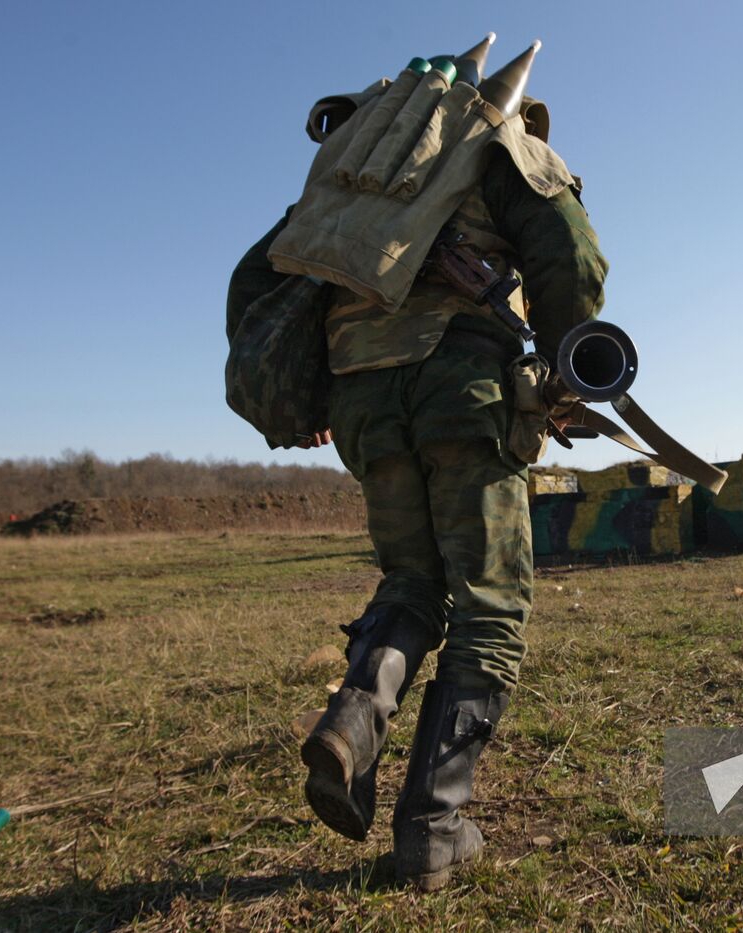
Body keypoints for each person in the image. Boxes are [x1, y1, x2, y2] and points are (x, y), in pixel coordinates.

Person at [295, 40, 608, 892]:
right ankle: (433, 827)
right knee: (492, 608)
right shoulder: (501, 141)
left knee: (412, 583)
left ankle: (354, 722)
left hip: (362, 397)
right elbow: (569, 257)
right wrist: (567, 356)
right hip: (462, 386)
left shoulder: (354, 162)